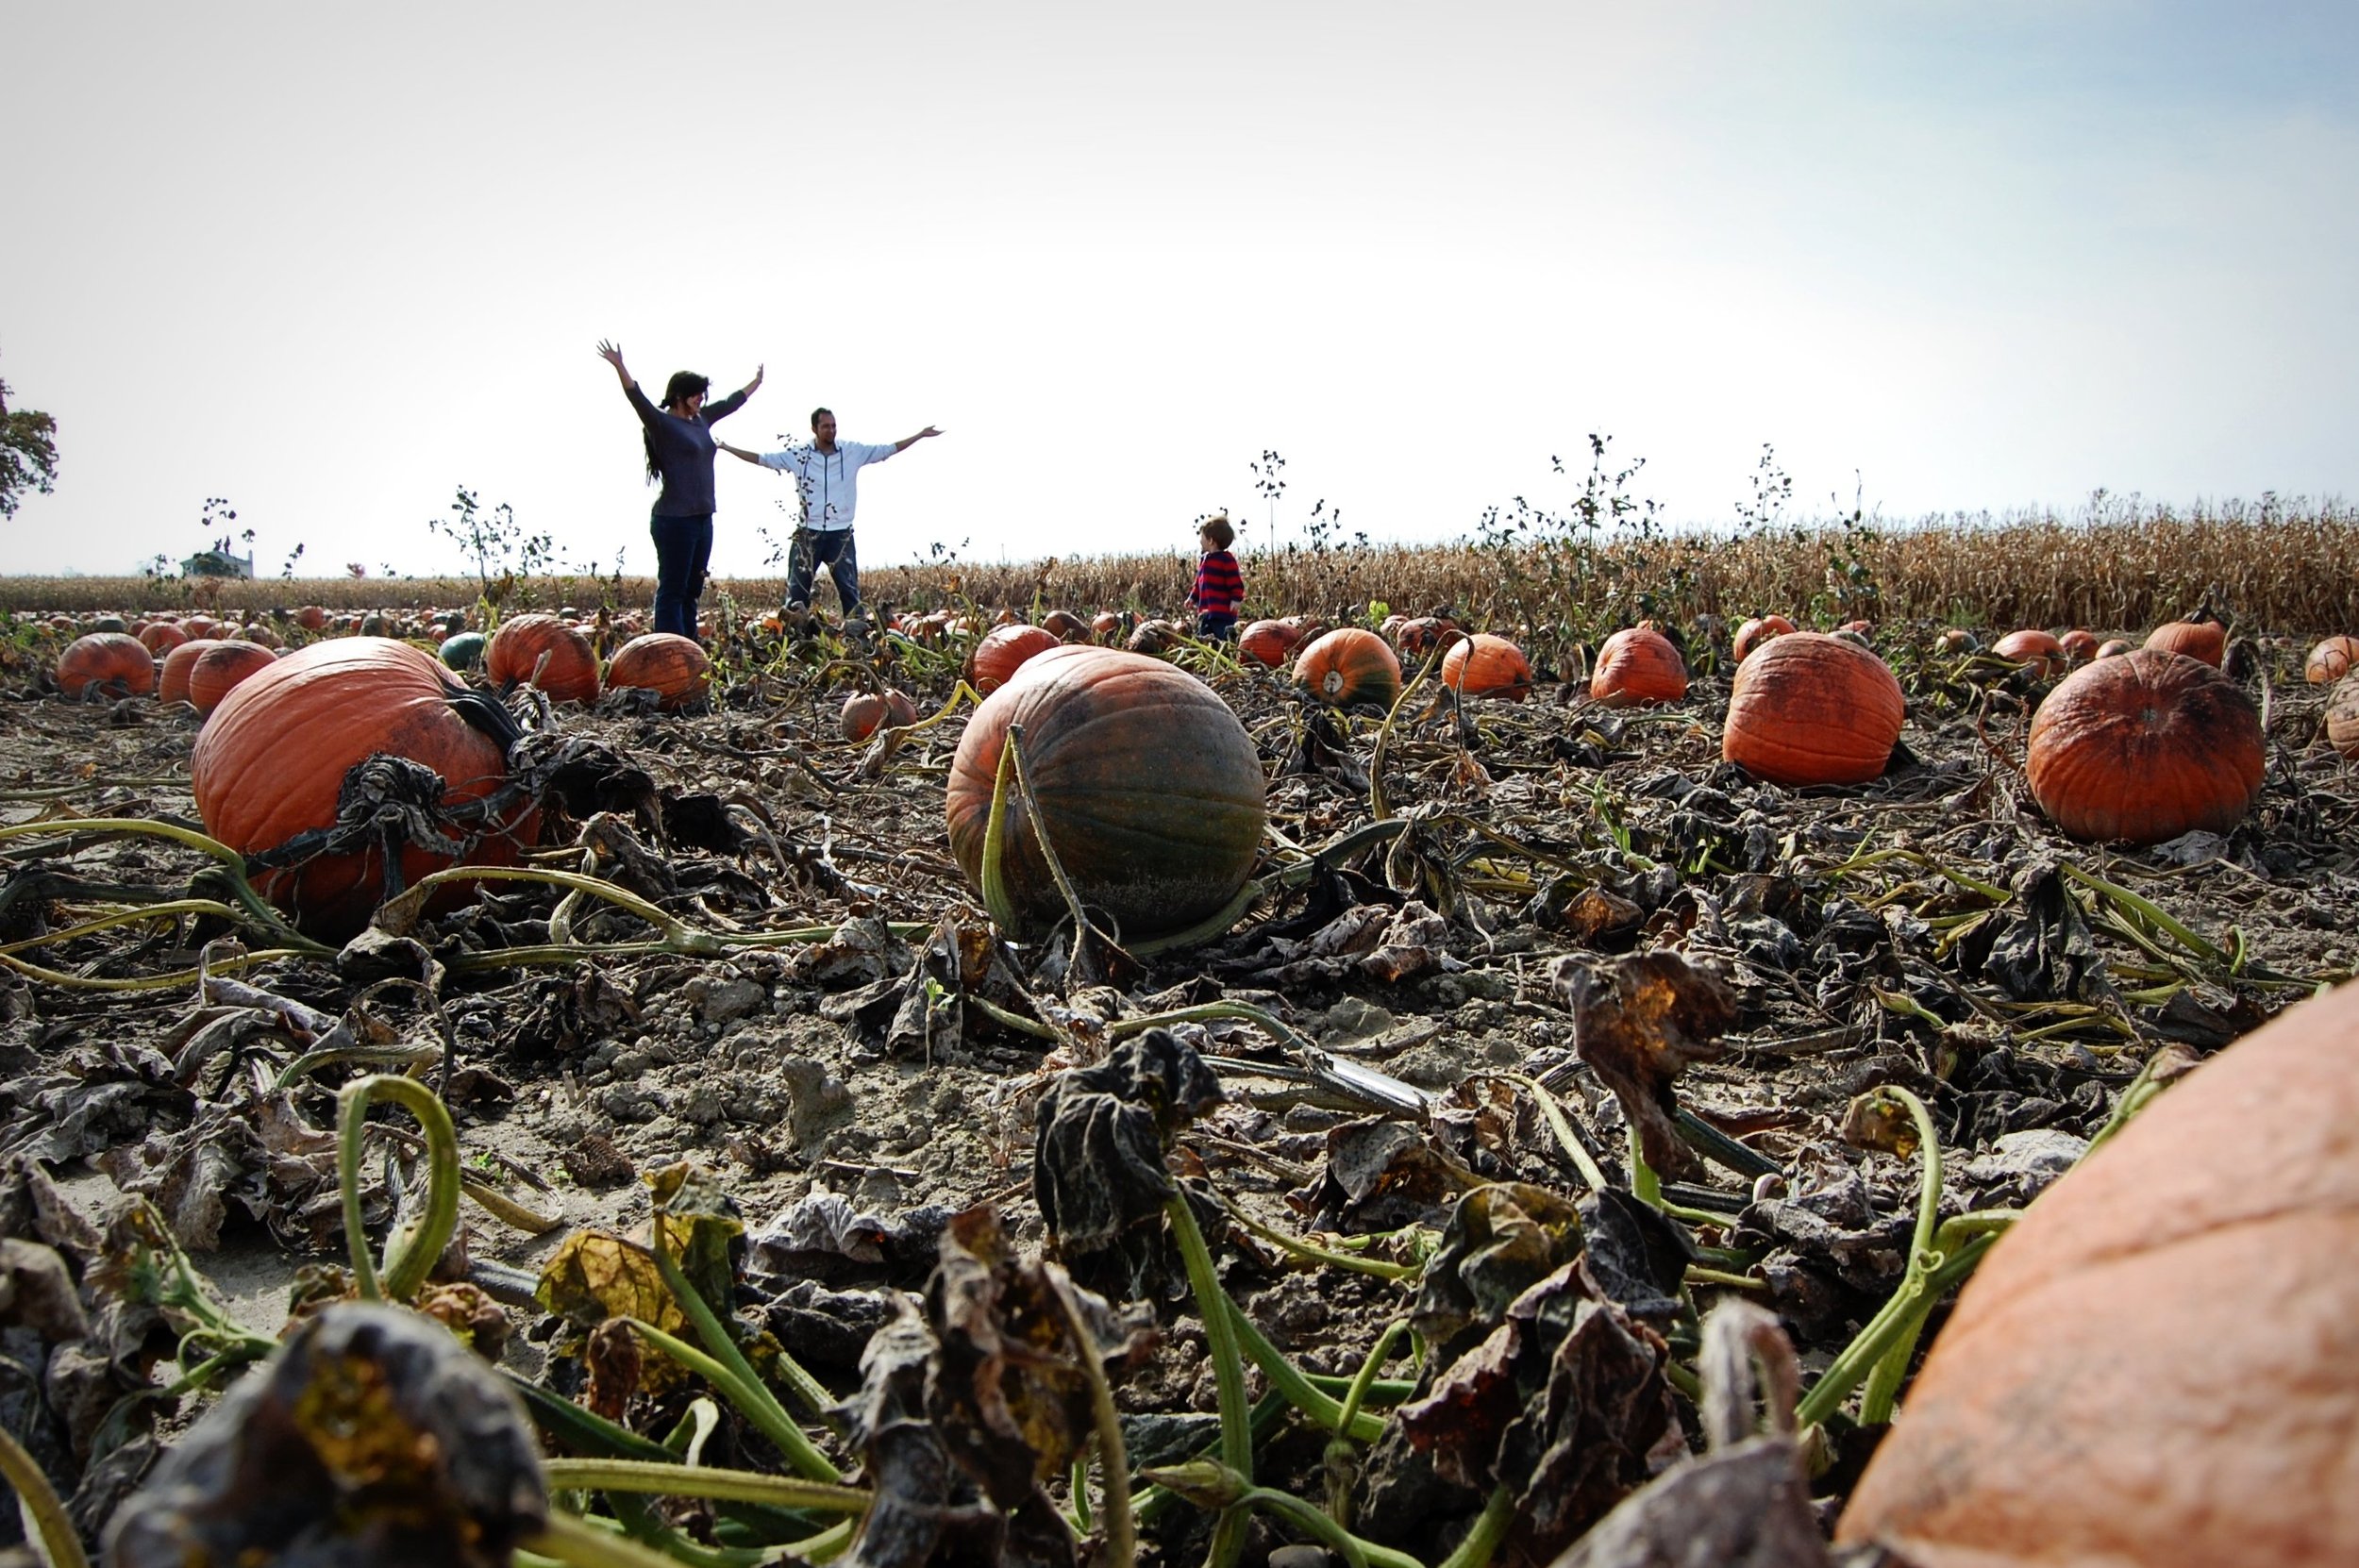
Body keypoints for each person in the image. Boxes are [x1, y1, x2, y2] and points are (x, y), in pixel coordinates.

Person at [595, 340, 762, 641]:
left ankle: (690, 651)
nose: (701, 399)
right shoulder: (662, 424)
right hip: (674, 521)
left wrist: (757, 382)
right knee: (673, 589)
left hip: (703, 519)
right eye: (696, 394)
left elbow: (731, 403)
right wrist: (620, 365)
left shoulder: (702, 421)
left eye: (703, 394)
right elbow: (636, 397)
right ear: (678, 395)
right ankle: (669, 649)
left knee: (692, 590)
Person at [720, 409, 940, 621]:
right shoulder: (799, 455)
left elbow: (886, 450)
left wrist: (919, 435)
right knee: (797, 594)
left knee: (850, 592)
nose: (831, 430)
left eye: (834, 426)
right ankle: (797, 641)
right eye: (826, 426)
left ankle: (857, 641)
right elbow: (764, 459)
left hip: (840, 534)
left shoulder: (851, 452)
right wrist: (728, 448)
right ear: (814, 428)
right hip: (808, 534)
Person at [1188, 512, 1244, 641]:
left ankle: (1227, 655)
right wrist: (1192, 597)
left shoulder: (1226, 560)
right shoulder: (1204, 560)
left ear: (1211, 540)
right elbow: (1199, 584)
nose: (1200, 540)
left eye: (1202, 536)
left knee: (1223, 638)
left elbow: (1235, 582)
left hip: (1223, 613)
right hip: (1205, 613)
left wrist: (1236, 599)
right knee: (1205, 637)